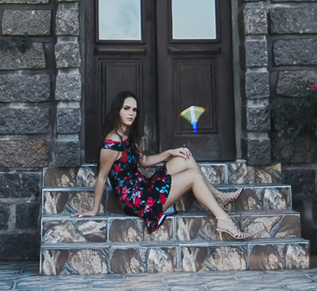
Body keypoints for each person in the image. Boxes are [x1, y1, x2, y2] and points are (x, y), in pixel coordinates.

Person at [82, 91, 246, 237]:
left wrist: (170, 152)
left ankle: (217, 196)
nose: (131, 113)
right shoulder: (111, 143)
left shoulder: (126, 135)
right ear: (117, 111)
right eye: (126, 108)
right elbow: (102, 177)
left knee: (185, 156)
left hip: (143, 186)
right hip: (135, 199)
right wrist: (94, 209)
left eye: (134, 110)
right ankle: (222, 218)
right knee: (193, 177)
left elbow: (144, 161)